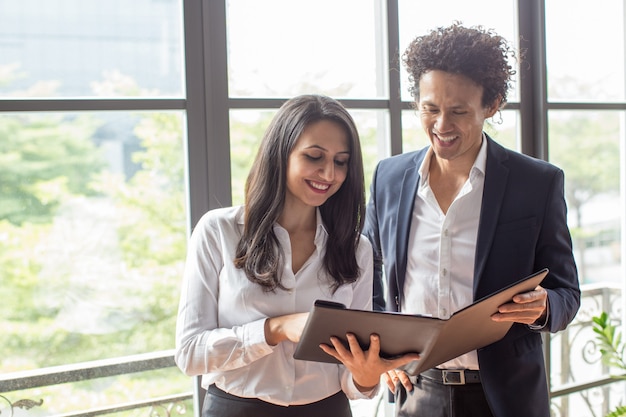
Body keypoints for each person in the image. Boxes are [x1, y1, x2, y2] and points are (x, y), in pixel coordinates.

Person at [362, 23, 580, 417]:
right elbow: (365, 274)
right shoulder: (388, 178)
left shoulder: (538, 183)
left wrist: (545, 305)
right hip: (416, 393)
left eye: (458, 112)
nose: (441, 126)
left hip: (506, 399)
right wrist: (379, 353)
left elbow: (568, 293)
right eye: (430, 109)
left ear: (491, 105)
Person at [174, 94, 418, 417]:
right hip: (236, 409)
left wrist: (365, 374)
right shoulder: (218, 232)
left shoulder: (356, 249)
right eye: (314, 156)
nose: (328, 173)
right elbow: (190, 353)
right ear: (281, 154)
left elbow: (354, 383)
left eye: (341, 161)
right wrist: (274, 330)